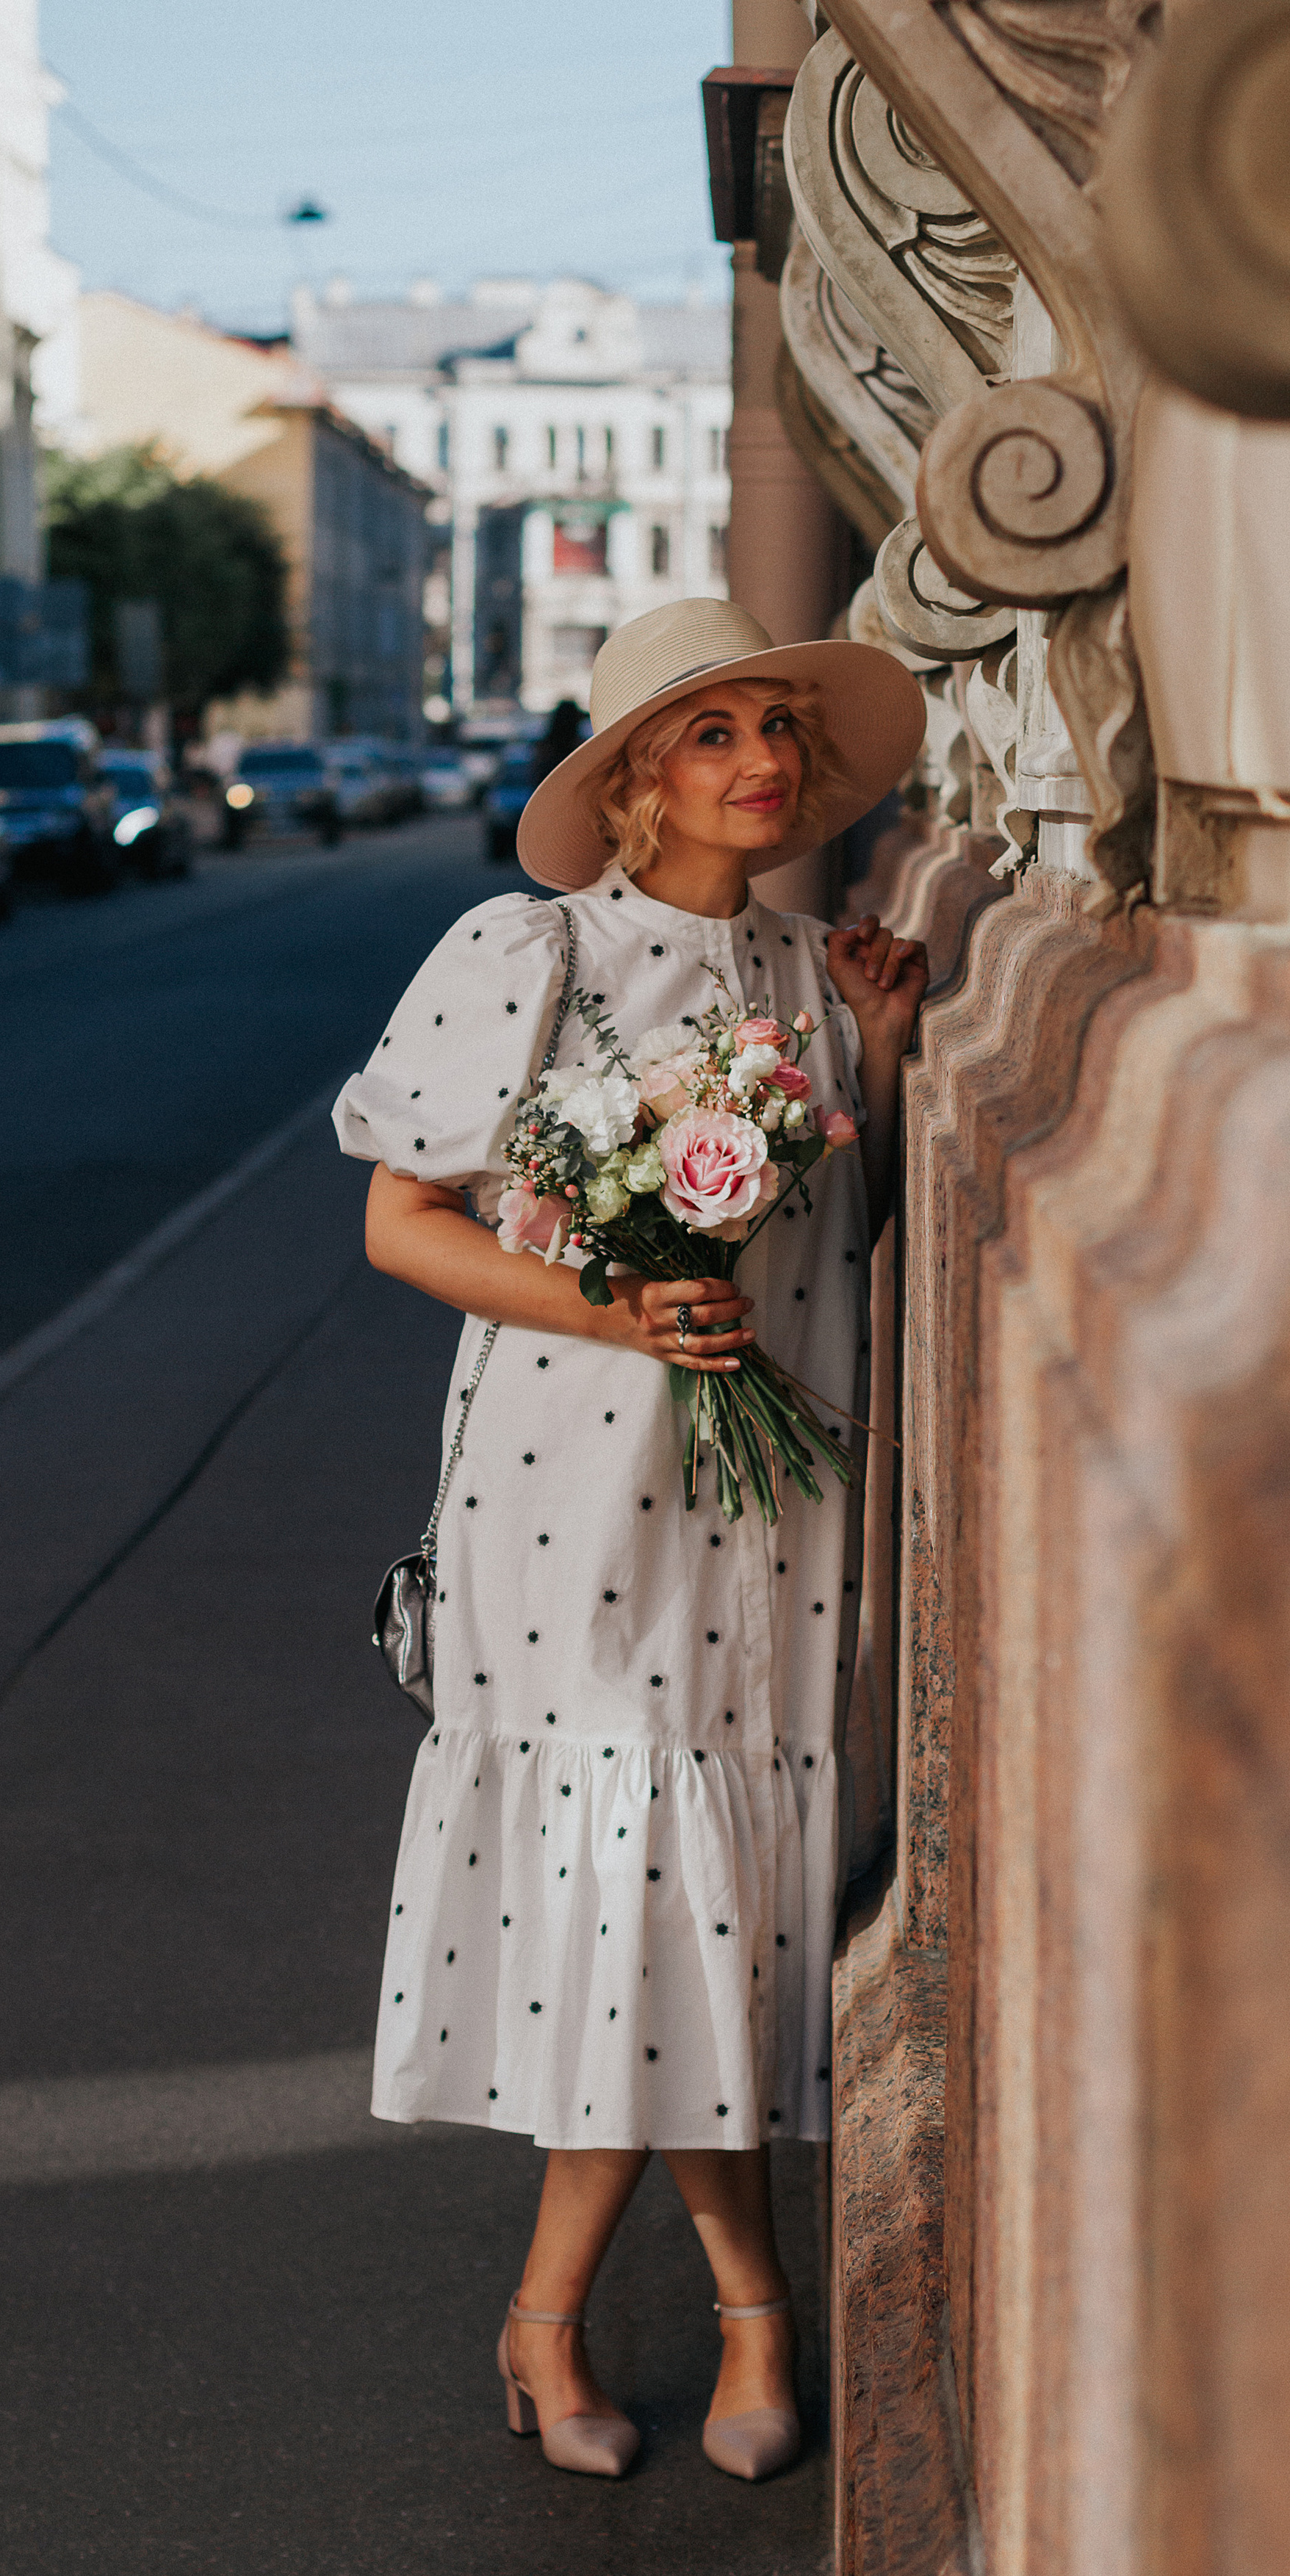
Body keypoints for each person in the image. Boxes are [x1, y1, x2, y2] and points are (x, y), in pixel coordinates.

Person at [334, 599, 927, 2481]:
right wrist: (617, 1311)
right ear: (629, 783)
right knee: (650, 1879)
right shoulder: (533, 949)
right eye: (710, 734)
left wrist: (887, 1056)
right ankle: (740, 2319)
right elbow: (400, 1224)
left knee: (701, 1896)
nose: (762, 761)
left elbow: (836, 1235)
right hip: (571, 1483)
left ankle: (551, 2320)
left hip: (764, 1501)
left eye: (776, 731)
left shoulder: (804, 975)